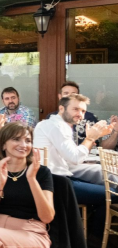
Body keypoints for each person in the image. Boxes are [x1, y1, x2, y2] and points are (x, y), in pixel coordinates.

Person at [33, 94, 112, 233]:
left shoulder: (49, 124)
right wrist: (90, 138)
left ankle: (89, 231)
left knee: (104, 184)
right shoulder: (58, 126)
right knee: (112, 194)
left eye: (83, 111)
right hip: (56, 184)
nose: (80, 114)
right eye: (75, 109)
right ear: (61, 109)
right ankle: (96, 236)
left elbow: (70, 160)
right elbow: (75, 158)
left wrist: (92, 138)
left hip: (51, 179)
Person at [48, 81, 117, 148]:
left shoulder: (89, 117)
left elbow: (97, 145)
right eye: (66, 93)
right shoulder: (51, 118)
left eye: (73, 94)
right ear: (60, 96)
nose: (69, 96)